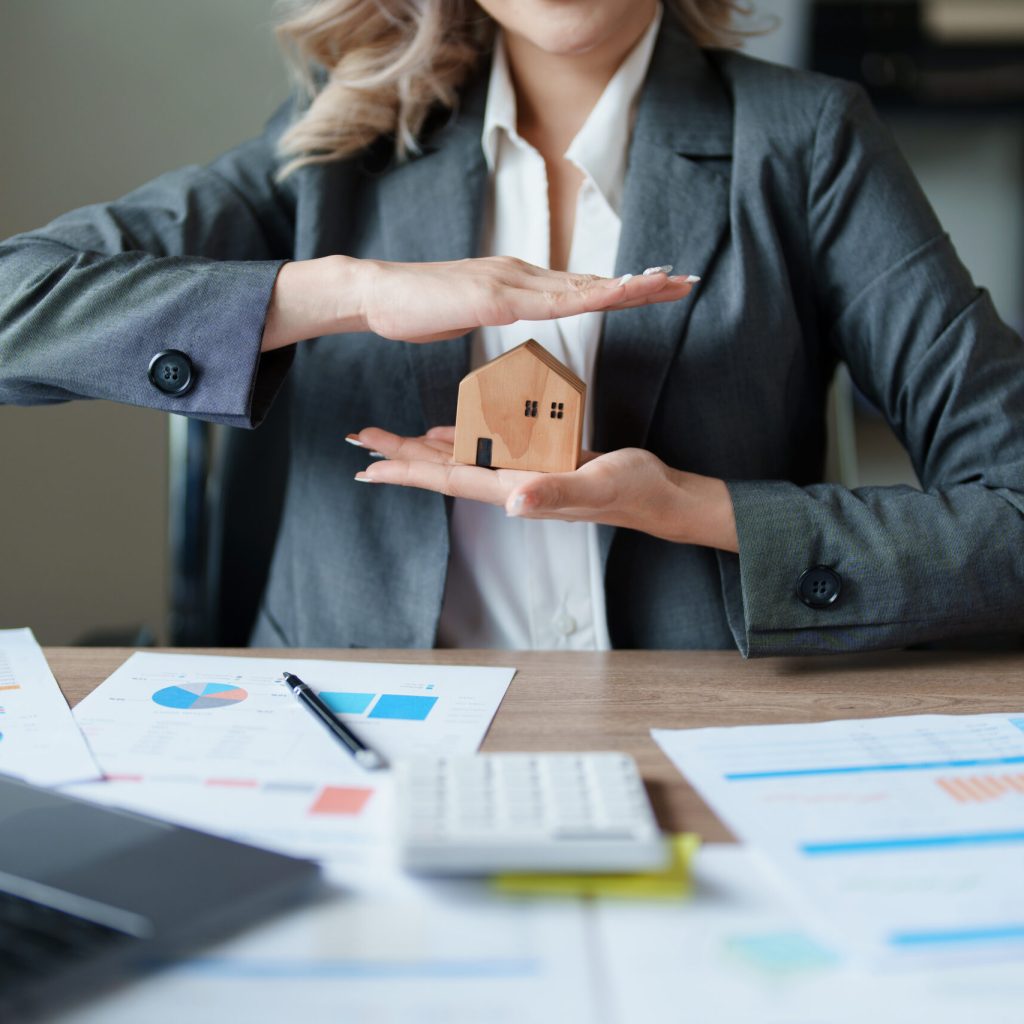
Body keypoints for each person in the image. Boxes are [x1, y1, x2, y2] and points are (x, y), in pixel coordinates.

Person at [0, 0, 1021, 654]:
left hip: (697, 739)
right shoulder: (333, 144)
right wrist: (347, 292)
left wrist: (693, 507)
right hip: (360, 737)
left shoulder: (807, 142)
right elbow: (17, 304)